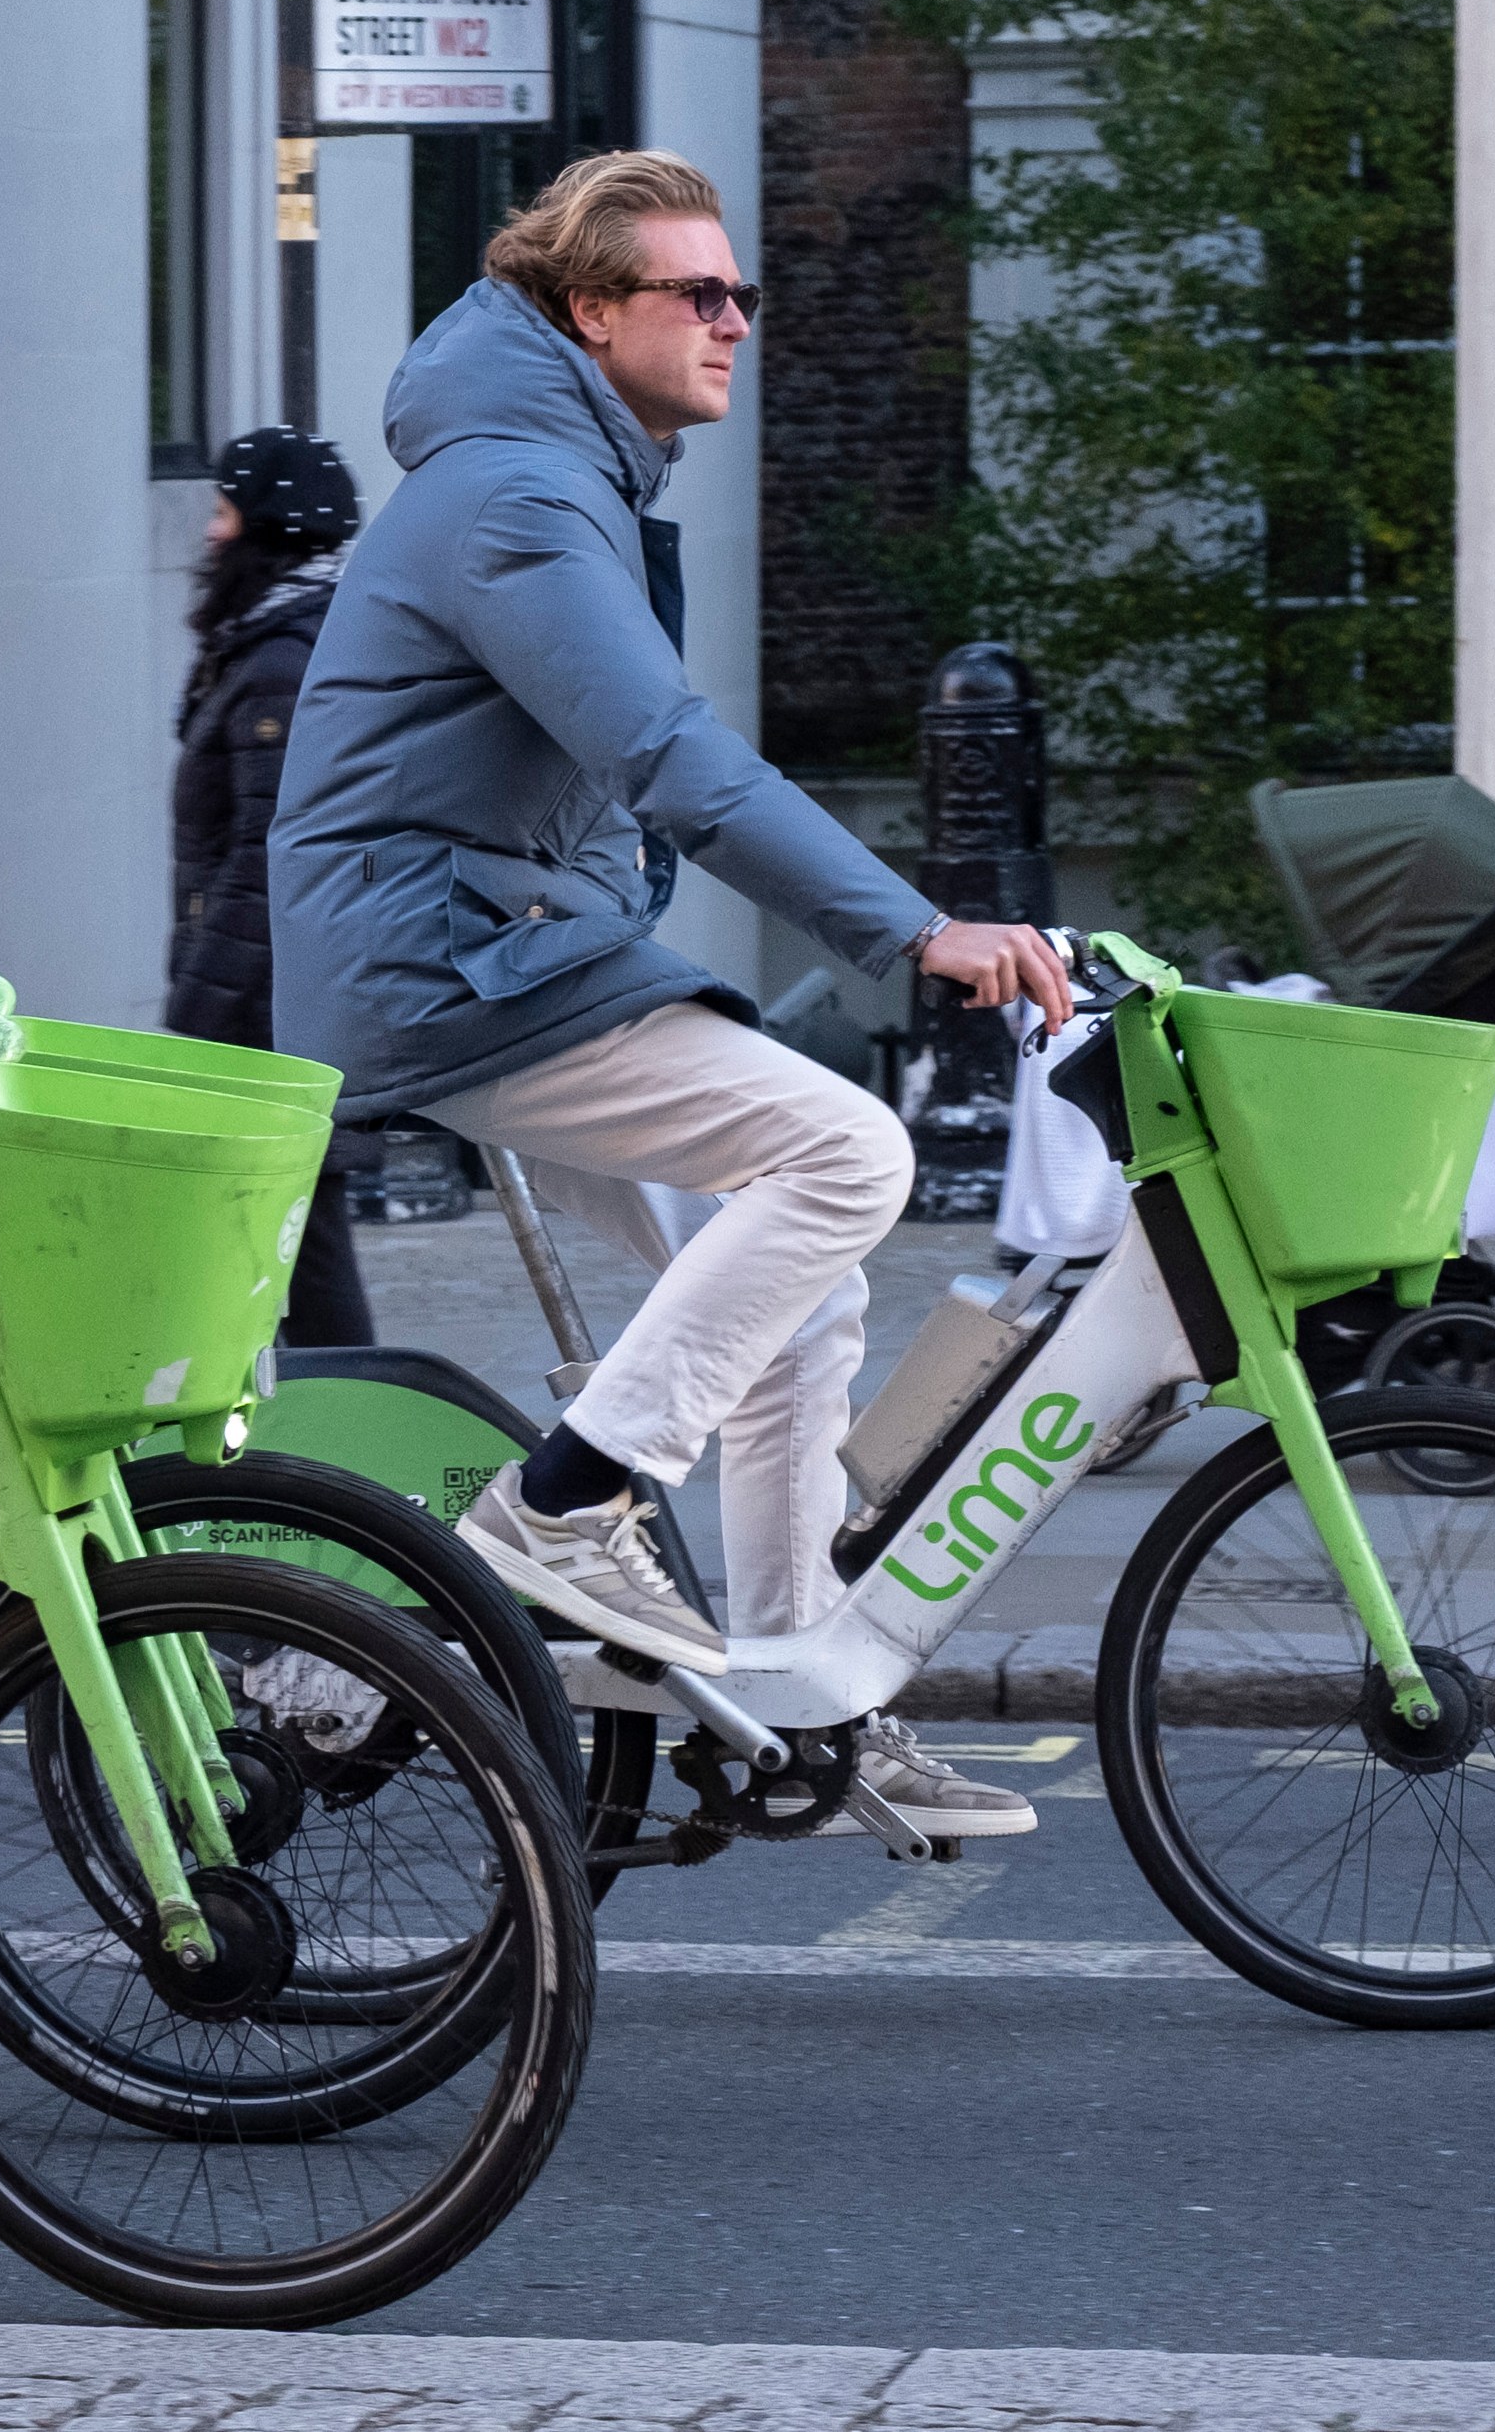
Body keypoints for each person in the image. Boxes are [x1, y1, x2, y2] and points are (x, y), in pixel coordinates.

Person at [269, 149, 1071, 1841]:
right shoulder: (517, 495)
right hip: (452, 969)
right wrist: (909, 926)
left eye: (739, 295)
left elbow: (604, 783)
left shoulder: (566, 475)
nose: (731, 324)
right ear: (585, 311)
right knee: (848, 1157)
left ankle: (805, 1692)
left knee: (805, 1301)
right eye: (692, 296)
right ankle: (567, 1506)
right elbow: (663, 755)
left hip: (506, 945)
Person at [167, 421, 377, 1350]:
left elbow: (264, 861)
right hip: (277, 1009)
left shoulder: (285, 663)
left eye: (222, 511)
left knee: (303, 1244)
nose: (209, 533)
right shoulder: (278, 643)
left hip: (270, 1018)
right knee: (283, 1242)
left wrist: (197, 1018)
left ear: (266, 529)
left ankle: (356, 1450)